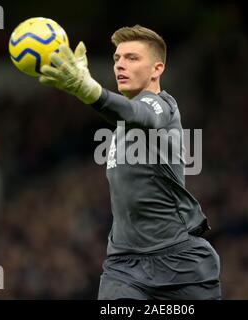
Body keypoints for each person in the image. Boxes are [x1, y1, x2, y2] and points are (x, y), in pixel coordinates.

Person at [39, 25, 221, 300]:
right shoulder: (121, 125)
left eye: (132, 58)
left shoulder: (162, 106)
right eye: (117, 58)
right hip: (124, 265)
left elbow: (142, 115)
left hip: (179, 263)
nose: (120, 65)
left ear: (157, 69)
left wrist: (92, 91)